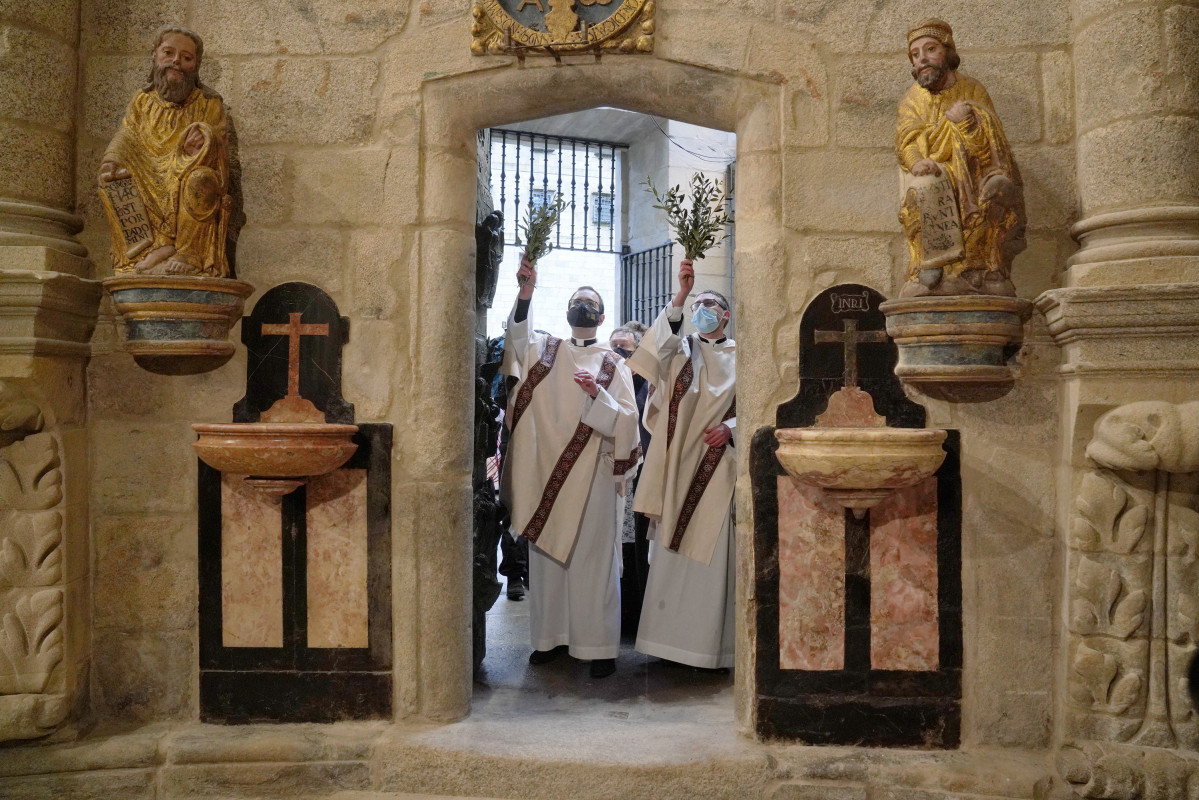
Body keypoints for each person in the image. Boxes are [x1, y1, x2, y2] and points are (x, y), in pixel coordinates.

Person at [500, 257, 640, 678]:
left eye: (590, 303)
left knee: (593, 561)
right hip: (546, 471)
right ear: (566, 313)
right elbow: (514, 345)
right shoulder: (545, 349)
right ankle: (550, 641)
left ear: (600, 316)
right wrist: (525, 293)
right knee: (547, 560)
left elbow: (629, 420)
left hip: (592, 473)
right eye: (577, 301)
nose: (583, 307)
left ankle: (598, 648)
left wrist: (599, 394)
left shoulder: (615, 364)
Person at [628, 260, 736, 670]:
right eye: (698, 305)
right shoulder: (682, 348)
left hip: (716, 465)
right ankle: (666, 644)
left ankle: (709, 650)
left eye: (710, 303)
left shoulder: (743, 356)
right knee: (672, 549)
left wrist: (731, 427)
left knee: (710, 554)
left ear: (725, 315)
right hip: (677, 467)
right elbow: (655, 350)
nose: (701, 309)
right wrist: (681, 294)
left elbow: (759, 405)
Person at [896, 18, 1025, 297]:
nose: (923, 60)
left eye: (930, 49)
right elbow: (906, 140)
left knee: (993, 191)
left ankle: (981, 268)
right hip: (933, 173)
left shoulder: (972, 89)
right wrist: (918, 161)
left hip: (975, 170)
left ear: (948, 51)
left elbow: (992, 145)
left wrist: (967, 123)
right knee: (928, 187)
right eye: (915, 55)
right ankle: (933, 265)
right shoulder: (912, 99)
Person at [98, 26, 234, 277]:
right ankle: (148, 249)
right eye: (168, 53)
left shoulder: (208, 103)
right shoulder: (142, 100)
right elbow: (127, 134)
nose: (176, 62)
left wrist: (204, 141)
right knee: (113, 181)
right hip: (147, 172)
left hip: (186, 173)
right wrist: (112, 159)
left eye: (186, 58)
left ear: (196, 65)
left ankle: (188, 253)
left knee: (201, 180)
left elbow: (220, 148)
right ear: (155, 56)